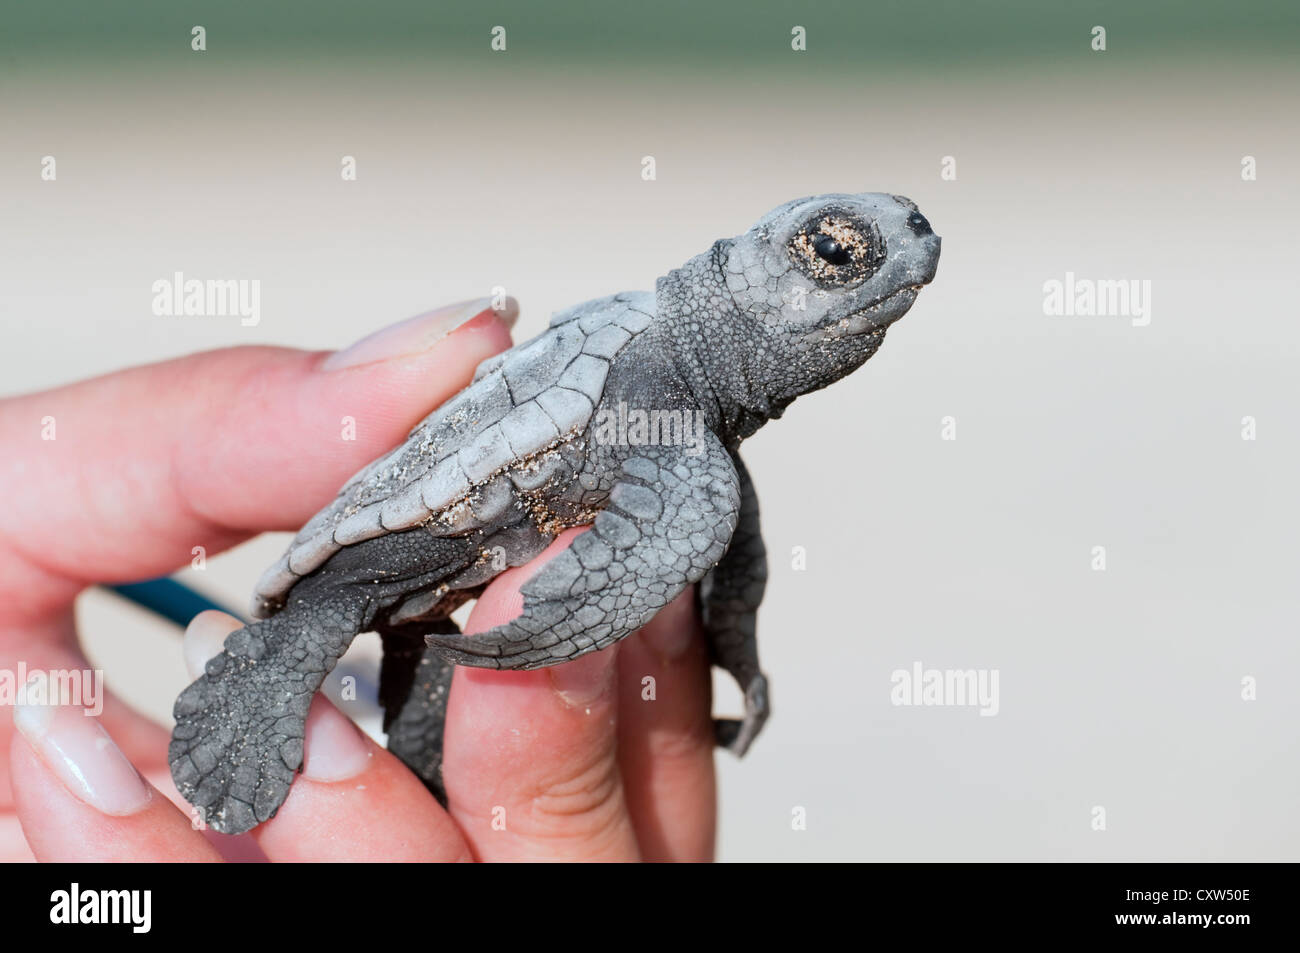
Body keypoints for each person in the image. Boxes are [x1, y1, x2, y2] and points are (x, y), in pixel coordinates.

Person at [0, 299, 717, 862]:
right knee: (316, 659)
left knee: (436, 743)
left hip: (440, 597)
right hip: (380, 551)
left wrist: (721, 631)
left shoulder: (700, 428)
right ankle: (255, 713)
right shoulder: (669, 372)